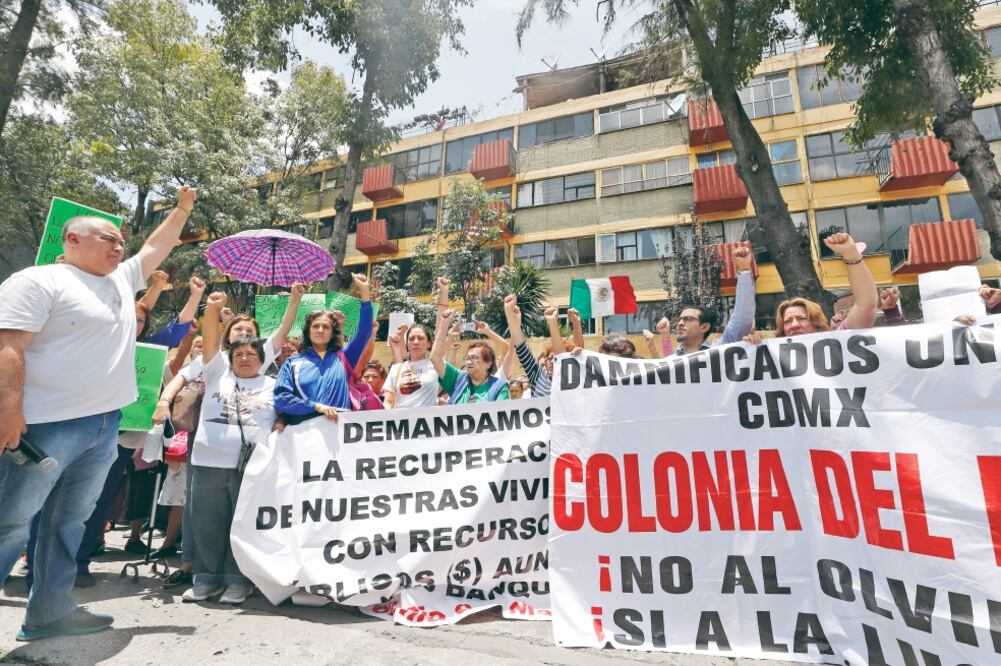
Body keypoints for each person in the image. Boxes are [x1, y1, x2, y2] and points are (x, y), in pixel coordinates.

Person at [0, 186, 197, 641]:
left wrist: (183, 210)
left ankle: (48, 612)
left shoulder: (120, 281)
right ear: (72, 240)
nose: (119, 246)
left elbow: (156, 246)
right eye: (108, 238)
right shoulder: (38, 281)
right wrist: (8, 412)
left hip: (103, 425)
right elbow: (9, 347)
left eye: (120, 241)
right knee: (10, 520)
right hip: (42, 426)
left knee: (68, 521)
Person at [181, 291, 278, 605]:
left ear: (262, 360)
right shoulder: (216, 372)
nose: (245, 358)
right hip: (208, 463)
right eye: (239, 355)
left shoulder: (273, 385)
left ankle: (238, 581)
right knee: (207, 524)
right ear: (230, 358)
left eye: (252, 354)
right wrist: (210, 310)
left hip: (250, 469)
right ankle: (206, 580)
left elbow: (291, 417)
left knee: (241, 527)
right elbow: (210, 340)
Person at [274, 274, 373, 424]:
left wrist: (365, 293)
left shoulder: (344, 358)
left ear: (333, 332)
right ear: (308, 331)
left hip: (339, 433)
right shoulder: (292, 363)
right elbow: (281, 399)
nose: (320, 330)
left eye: (326, 327)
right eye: (315, 326)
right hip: (304, 435)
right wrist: (315, 407)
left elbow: (364, 331)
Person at [745, 233, 878, 343]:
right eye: (787, 321)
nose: (794, 325)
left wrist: (851, 254)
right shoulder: (772, 356)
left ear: (817, 324)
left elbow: (866, 304)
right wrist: (752, 349)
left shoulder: (837, 342)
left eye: (802, 318)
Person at [675, 246, 756, 354]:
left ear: (704, 327)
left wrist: (744, 270)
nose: (680, 323)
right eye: (679, 319)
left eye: (688, 319)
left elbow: (742, 318)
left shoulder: (719, 351)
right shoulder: (669, 363)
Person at [430, 308, 509, 403]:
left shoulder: (499, 387)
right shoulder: (457, 379)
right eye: (467, 358)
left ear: (488, 363)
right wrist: (444, 327)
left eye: (475, 357)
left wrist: (488, 332)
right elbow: (435, 358)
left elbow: (502, 415)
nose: (469, 361)